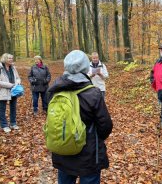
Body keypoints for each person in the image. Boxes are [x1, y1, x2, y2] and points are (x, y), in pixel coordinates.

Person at [47, 50, 113, 184]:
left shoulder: (55, 91)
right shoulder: (93, 93)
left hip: (63, 150)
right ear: (85, 68)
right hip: (88, 154)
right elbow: (105, 126)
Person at [0, 53, 21, 133]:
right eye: (9, 58)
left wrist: (18, 82)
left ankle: (13, 123)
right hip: (3, 91)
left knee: (13, 107)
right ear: (4, 59)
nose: (11, 59)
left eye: (12, 58)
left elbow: (18, 77)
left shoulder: (13, 67)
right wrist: (11, 85)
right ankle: (4, 125)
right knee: (2, 109)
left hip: (14, 91)